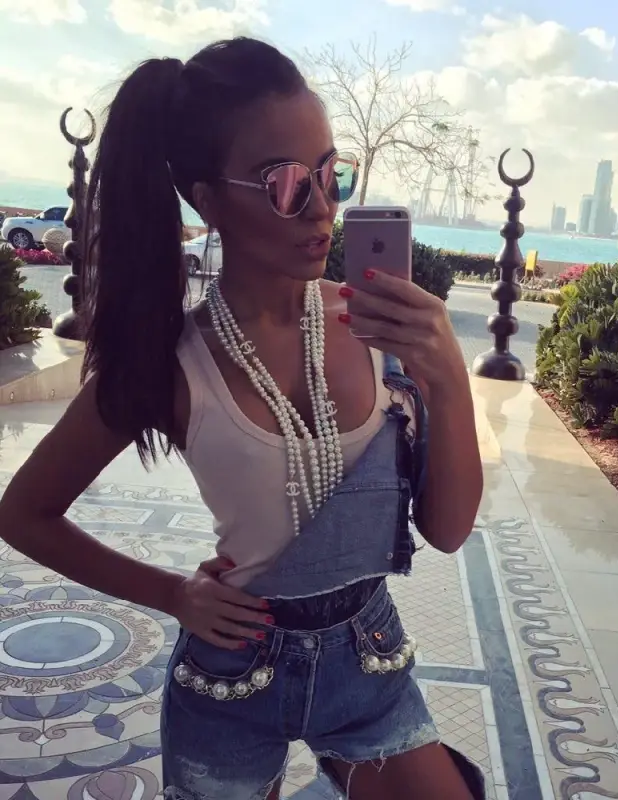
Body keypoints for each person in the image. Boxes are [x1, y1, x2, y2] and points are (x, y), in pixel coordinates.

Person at [0, 37, 484, 800]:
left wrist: (449, 377)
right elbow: (23, 513)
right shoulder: (170, 362)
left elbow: (447, 531)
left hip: (369, 657)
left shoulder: (378, 329)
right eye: (285, 182)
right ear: (207, 199)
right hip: (232, 677)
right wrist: (173, 593)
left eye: (331, 173)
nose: (322, 207)